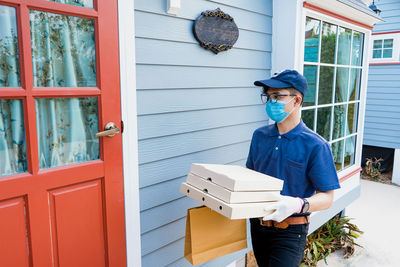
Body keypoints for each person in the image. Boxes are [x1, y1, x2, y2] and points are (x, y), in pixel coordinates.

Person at [246, 69, 341, 267]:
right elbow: (249, 177)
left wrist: (298, 204)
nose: (271, 102)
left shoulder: (316, 145)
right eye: (268, 96)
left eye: (277, 96)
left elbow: (327, 197)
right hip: (258, 225)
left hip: (290, 230)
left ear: (296, 101)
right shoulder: (259, 136)